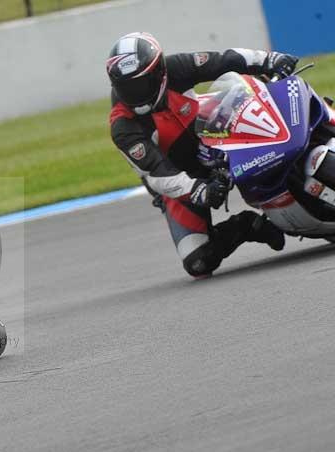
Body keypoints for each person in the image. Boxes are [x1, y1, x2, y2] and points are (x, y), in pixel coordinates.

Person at [107, 32, 298, 277]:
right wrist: (198, 189)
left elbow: (224, 60)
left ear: (158, 72)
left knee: (266, 106)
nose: (133, 94)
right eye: (125, 87)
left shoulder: (175, 68)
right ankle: (247, 226)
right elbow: (158, 173)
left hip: (214, 133)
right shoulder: (123, 127)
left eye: (139, 84)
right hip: (178, 180)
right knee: (198, 262)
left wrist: (269, 60)